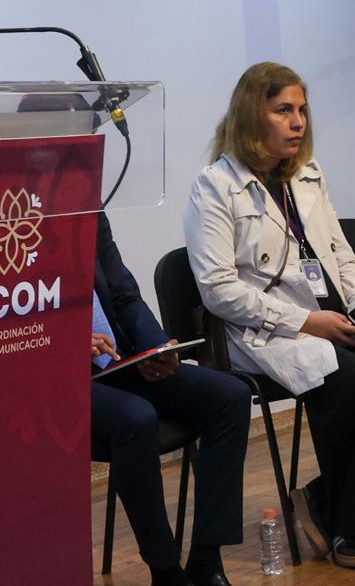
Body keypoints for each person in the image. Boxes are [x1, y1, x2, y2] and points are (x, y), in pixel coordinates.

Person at [182, 62, 355, 570]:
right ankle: (351, 528)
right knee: (349, 378)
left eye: (302, 110)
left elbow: (339, 252)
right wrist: (306, 323)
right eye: (283, 110)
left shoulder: (308, 175)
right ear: (252, 115)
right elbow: (218, 291)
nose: (298, 122)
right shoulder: (215, 186)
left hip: (328, 319)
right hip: (263, 332)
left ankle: (323, 499)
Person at [91, 212, 251, 586]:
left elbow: (124, 293)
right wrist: (68, 340)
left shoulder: (86, 209)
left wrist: (157, 347)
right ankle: (165, 571)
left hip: (113, 359)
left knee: (230, 396)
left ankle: (206, 562)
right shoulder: (6, 215)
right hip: (51, 374)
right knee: (136, 418)